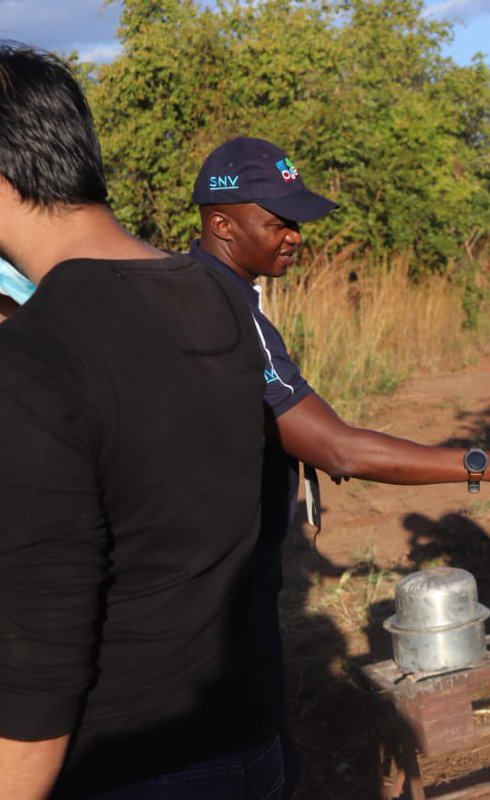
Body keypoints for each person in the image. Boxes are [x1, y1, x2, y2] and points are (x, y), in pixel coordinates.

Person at [188, 136, 490, 793]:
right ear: (221, 223)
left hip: (203, 566)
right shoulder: (224, 307)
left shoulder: (196, 291)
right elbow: (337, 447)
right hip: (219, 572)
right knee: (245, 750)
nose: (294, 237)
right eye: (277, 221)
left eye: (299, 223)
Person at [0, 43, 281, 798]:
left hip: (127, 762)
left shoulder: (33, 356)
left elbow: (42, 646)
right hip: (245, 738)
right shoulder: (212, 293)